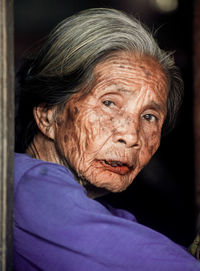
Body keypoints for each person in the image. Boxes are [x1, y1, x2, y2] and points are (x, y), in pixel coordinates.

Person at [14, 8, 200, 271]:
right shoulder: (31, 190)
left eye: (149, 117)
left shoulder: (105, 213)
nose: (131, 136)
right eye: (109, 103)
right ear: (47, 115)